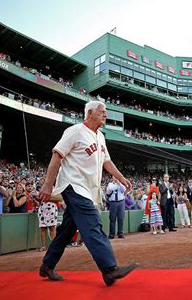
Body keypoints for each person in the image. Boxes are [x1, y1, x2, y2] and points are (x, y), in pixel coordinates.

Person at [38, 100, 137, 286]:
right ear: (90, 113)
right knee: (93, 223)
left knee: (67, 231)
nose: (105, 114)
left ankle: (47, 265)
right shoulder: (75, 131)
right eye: (102, 111)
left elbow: (107, 162)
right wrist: (47, 185)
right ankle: (109, 269)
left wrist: (122, 178)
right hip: (73, 185)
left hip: (88, 189)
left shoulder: (100, 136)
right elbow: (56, 155)